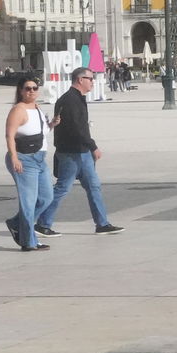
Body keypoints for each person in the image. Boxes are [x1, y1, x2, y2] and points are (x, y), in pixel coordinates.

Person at [34, 68, 124, 237]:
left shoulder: (75, 98)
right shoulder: (70, 100)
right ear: (80, 79)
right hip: (72, 152)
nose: (93, 81)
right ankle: (42, 223)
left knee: (93, 186)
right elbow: (77, 128)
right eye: (90, 78)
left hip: (80, 152)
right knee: (62, 188)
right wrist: (93, 146)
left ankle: (102, 224)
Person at [3, 78, 53, 252]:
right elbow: (9, 136)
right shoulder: (18, 110)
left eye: (34, 88)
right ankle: (29, 241)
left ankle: (17, 223)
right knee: (28, 202)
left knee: (47, 197)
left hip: (40, 158)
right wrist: (14, 158)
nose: (31, 91)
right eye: (27, 88)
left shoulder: (37, 108)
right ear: (20, 91)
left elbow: (41, 132)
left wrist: (52, 125)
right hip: (24, 159)